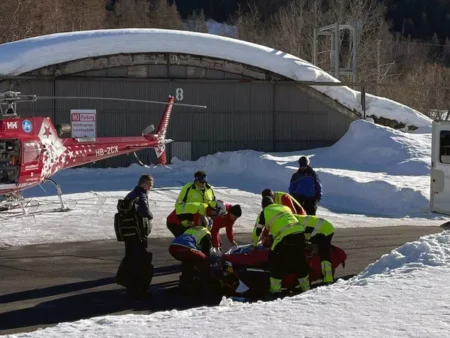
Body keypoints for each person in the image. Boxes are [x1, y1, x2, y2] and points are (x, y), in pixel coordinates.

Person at [251, 196, 310, 299]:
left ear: (263, 205)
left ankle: (275, 291)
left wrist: (254, 244)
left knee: (274, 261)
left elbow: (257, 230)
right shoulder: (284, 207)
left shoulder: (265, 212)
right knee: (299, 261)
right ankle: (306, 289)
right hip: (300, 234)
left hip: (285, 237)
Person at [115, 174, 154, 298]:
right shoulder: (141, 195)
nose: (151, 188)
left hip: (128, 232)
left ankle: (129, 285)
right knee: (140, 260)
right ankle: (138, 289)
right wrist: (150, 216)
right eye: (150, 185)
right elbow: (146, 213)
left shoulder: (131, 194)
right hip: (137, 233)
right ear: (145, 184)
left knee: (131, 257)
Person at [169, 225, 214, 295]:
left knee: (188, 262)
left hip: (173, 247)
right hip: (186, 248)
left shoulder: (191, 229)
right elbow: (207, 250)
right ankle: (206, 284)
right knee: (205, 259)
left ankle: (185, 284)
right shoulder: (206, 232)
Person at [294, 215, 335, 284]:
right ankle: (328, 278)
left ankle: (328, 279)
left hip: (325, 230)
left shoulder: (291, 224)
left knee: (323, 253)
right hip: (324, 227)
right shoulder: (291, 218)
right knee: (321, 252)